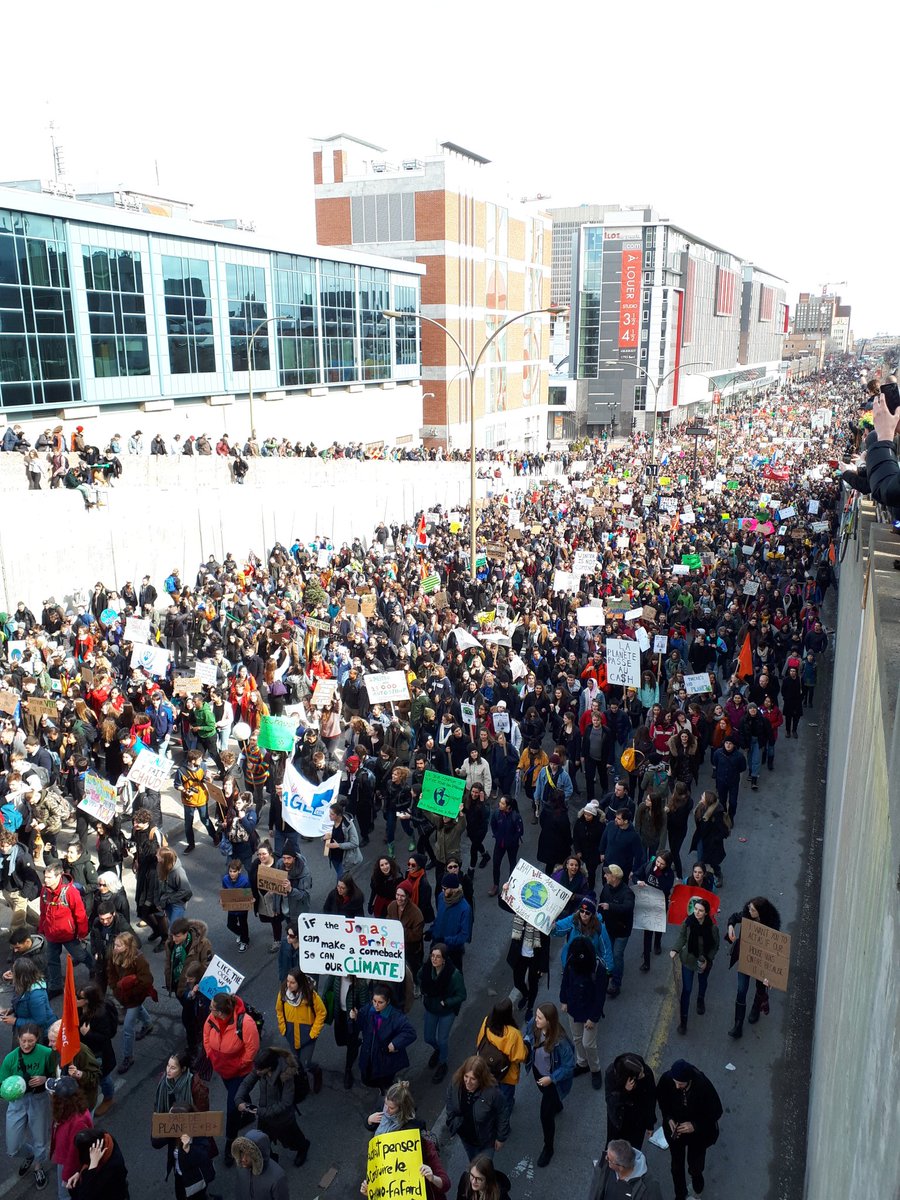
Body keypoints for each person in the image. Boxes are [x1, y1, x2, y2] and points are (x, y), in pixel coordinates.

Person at [203, 992, 261, 1166]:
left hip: (240, 1073)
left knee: (232, 1107)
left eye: (212, 1007)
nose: (209, 1009)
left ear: (221, 1012)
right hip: (223, 1070)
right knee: (237, 1096)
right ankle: (249, 1115)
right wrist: (211, 1055)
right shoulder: (212, 1018)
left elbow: (252, 1049)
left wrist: (239, 1065)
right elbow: (206, 1036)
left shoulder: (246, 1023)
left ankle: (230, 1142)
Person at [656, 1059, 723, 1200]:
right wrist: (668, 1119)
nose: (676, 1086)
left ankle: (697, 1182)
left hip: (697, 1135)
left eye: (680, 1084)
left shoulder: (703, 1085)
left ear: (689, 1080)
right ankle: (680, 1195)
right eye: (675, 1082)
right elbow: (662, 1101)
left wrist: (695, 1125)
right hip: (676, 1132)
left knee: (695, 1164)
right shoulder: (667, 1079)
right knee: (676, 1166)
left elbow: (716, 1111)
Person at [0, 1022, 55, 1190]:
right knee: (13, 1147)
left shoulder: (47, 1053)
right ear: (18, 1039)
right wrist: (9, 1091)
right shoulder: (11, 1058)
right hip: (17, 1102)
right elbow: (2, 1084)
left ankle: (38, 1167)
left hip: (39, 1099)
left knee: (40, 1140)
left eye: (31, 1040)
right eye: (23, 1040)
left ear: (37, 1039)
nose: (26, 1044)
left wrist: (45, 1079)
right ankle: (30, 1154)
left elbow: (55, 1075)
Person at [235, 1047, 311, 1167]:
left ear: (269, 1068)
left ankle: (303, 1147)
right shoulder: (261, 1067)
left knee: (293, 1140)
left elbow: (285, 1103)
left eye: (259, 1070)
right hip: (265, 1116)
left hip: (283, 1119)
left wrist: (260, 1111)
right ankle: (270, 1159)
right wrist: (239, 1099)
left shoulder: (286, 1075)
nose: (256, 1072)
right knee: (262, 1141)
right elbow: (247, 1083)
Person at [522, 1002, 575, 1167]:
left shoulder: (561, 1042)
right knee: (549, 1100)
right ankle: (557, 1105)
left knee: (545, 1115)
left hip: (551, 1081)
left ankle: (548, 1147)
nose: (535, 1019)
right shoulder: (534, 1025)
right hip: (539, 1074)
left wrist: (551, 1078)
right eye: (536, 1015)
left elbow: (569, 1066)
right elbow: (527, 1034)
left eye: (539, 1017)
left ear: (549, 1021)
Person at [725, 896, 782, 1038]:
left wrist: (770, 976)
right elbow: (734, 917)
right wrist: (731, 926)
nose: (749, 910)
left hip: (761, 962)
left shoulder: (771, 925)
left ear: (760, 912)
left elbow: (775, 952)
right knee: (741, 990)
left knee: (760, 986)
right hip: (746, 958)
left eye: (753, 909)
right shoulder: (746, 914)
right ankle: (738, 1025)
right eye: (749, 907)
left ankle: (756, 1007)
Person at [559, 935, 607, 1089]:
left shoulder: (598, 968)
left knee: (588, 1044)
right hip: (573, 1007)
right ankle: (582, 1063)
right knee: (577, 1038)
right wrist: (564, 1000)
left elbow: (600, 996)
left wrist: (593, 1018)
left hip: (589, 1011)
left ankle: (595, 1069)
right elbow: (565, 980)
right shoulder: (572, 960)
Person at [37, 861, 90, 996]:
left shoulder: (70, 892)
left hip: (68, 935)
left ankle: (96, 969)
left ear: (59, 876)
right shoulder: (44, 891)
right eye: (45, 877)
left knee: (80, 955)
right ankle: (56, 987)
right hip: (51, 934)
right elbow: (43, 911)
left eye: (49, 877)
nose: (45, 880)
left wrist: (82, 932)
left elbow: (80, 914)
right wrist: (42, 928)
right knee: (52, 960)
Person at [106, 931, 156, 1072]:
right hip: (123, 995)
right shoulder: (114, 954)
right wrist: (116, 989)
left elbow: (146, 981)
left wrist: (131, 993)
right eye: (115, 944)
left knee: (128, 1028)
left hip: (134, 998)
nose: (115, 947)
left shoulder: (139, 959)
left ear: (127, 947)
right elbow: (111, 972)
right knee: (138, 1010)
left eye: (118, 945)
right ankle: (148, 1024)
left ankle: (128, 1057)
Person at [353, 984, 417, 1093]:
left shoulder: (396, 1016)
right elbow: (360, 1026)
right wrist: (355, 1017)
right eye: (374, 1001)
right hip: (369, 1055)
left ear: (388, 1001)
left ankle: (394, 1101)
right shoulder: (369, 1009)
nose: (376, 1005)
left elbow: (410, 1033)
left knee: (385, 1084)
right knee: (368, 1080)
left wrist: (395, 1044)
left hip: (385, 1058)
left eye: (380, 1002)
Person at [445, 1055, 509, 1162]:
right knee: (473, 1160)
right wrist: (452, 1121)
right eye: (466, 1076)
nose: (468, 1082)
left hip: (486, 1141)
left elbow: (502, 1113)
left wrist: (501, 1137)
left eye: (473, 1079)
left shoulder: (493, 1093)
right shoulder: (456, 1082)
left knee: (484, 1170)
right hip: (466, 1138)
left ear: (481, 1079)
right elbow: (449, 1100)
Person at [671, 896, 719, 1035]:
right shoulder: (688, 922)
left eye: (700, 910)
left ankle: (700, 1000)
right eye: (695, 909)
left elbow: (715, 946)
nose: (697, 912)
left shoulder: (712, 928)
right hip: (688, 959)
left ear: (706, 913)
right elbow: (682, 937)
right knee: (686, 990)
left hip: (703, 960)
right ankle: (683, 1021)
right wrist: (675, 949)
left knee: (703, 981)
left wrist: (707, 960)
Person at [419, 942, 466, 1083]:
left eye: (438, 957)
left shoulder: (454, 975)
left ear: (444, 959)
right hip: (431, 1008)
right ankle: (438, 1050)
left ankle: (443, 1062)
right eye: (432, 956)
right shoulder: (427, 969)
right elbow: (419, 976)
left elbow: (462, 995)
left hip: (446, 1011)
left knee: (442, 1039)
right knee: (428, 1037)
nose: (434, 959)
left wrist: (447, 1002)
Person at [275, 968, 327, 1094]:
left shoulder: (311, 995)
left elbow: (322, 1013)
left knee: (305, 1063)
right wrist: (283, 1028)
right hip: (291, 1034)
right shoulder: (283, 993)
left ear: (299, 982)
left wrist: (313, 1033)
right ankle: (302, 1084)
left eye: (292, 982)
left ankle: (316, 1071)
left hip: (307, 1036)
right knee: (296, 1063)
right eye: (288, 981)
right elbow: (279, 1011)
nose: (288, 984)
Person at [48, 1074, 93, 1200]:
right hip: (65, 1158)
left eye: (53, 1094)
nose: (51, 1096)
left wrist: (66, 1176)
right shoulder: (69, 1111)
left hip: (68, 1163)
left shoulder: (78, 1122)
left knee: (65, 1196)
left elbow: (75, 1153)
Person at [603, 1053, 657, 1150]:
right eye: (640, 1075)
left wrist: (650, 1123)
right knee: (614, 1148)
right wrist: (625, 1091)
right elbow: (611, 1101)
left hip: (637, 1120)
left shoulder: (645, 1071)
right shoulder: (611, 1074)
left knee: (633, 1149)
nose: (643, 1075)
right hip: (619, 1120)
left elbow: (650, 1099)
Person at [597, 864, 635, 998]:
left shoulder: (627, 892)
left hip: (622, 930)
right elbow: (601, 905)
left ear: (614, 877)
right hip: (608, 927)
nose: (604, 876)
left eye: (607, 874)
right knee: (608, 953)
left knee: (617, 954)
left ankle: (616, 983)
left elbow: (628, 908)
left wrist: (610, 907)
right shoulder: (606, 888)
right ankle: (609, 973)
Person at [634, 850, 675, 970]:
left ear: (667, 865)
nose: (658, 865)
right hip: (647, 902)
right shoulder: (648, 866)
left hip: (660, 904)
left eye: (662, 864)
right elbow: (636, 874)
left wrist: (658, 874)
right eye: (657, 861)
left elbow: (666, 887)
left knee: (658, 926)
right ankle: (646, 960)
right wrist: (638, 881)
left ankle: (657, 942)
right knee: (647, 932)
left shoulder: (669, 874)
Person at [587, 1139, 664, 1200]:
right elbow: (595, 1190)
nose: (605, 1158)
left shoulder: (650, 1187)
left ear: (621, 1167)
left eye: (609, 1159)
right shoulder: (604, 1165)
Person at [66, 1129, 130, 1199]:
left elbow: (86, 1195)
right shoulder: (107, 1140)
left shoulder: (111, 1168)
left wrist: (92, 1166)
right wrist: (79, 1172)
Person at [2, 957, 55, 1041]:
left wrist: (15, 1021)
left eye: (14, 973)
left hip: (39, 1033)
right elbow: (24, 1004)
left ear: (20, 977)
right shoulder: (26, 983)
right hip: (28, 1028)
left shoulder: (36, 996)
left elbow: (40, 1021)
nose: (11, 974)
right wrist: (12, 1010)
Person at [430, 873, 473, 972]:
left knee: (454, 975)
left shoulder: (465, 908)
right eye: (442, 888)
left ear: (453, 889)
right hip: (437, 943)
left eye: (445, 888)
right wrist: (432, 930)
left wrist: (445, 940)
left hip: (453, 950)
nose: (442, 891)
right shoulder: (441, 897)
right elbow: (439, 917)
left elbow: (464, 935)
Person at [231, 1130, 289, 1200]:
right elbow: (239, 1190)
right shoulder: (241, 1166)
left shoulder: (277, 1178)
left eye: (249, 1155)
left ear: (258, 1156)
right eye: (242, 1152)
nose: (243, 1159)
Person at [489, 796, 524, 897]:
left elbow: (520, 831)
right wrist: (497, 835)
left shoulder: (515, 816)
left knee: (512, 863)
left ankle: (510, 885)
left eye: (502, 803)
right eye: (500, 802)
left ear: (508, 806)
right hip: (499, 844)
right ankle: (496, 885)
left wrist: (512, 840)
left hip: (512, 845)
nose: (499, 804)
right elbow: (493, 825)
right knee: (496, 863)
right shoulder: (496, 814)